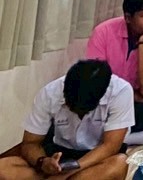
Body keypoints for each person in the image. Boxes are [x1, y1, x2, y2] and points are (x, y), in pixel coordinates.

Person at [2, 61, 132, 180]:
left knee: (119, 164)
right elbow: (30, 143)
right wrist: (43, 162)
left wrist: (69, 171)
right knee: (3, 168)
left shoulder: (121, 91)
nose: (77, 113)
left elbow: (110, 146)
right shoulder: (50, 92)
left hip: (95, 160)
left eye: (82, 111)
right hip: (58, 156)